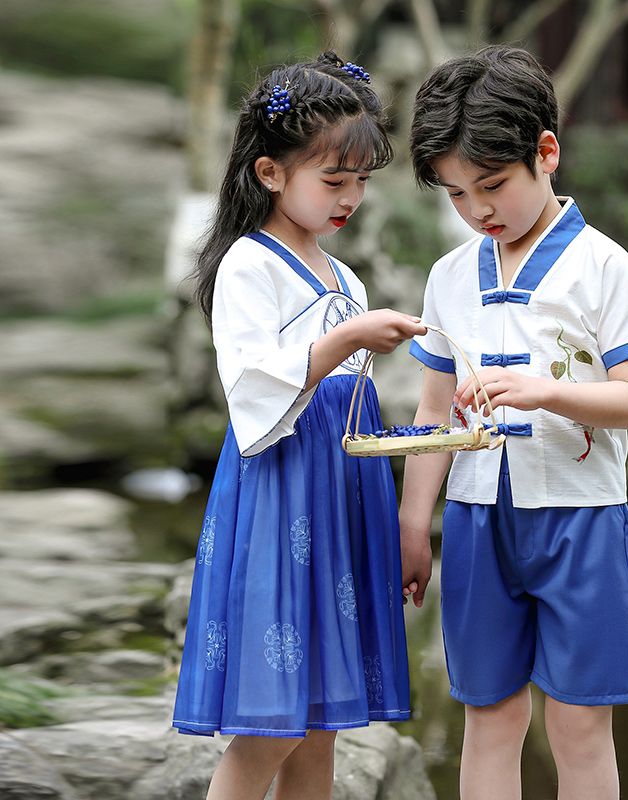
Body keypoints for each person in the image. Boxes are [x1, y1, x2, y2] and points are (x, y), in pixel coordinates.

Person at [400, 45, 628, 800]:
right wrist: (415, 524)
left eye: (491, 185)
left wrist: (547, 393)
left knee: (579, 724)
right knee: (490, 717)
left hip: (580, 520)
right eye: (455, 194)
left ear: (546, 153)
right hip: (478, 522)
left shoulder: (604, 266)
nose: (477, 210)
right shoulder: (450, 277)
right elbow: (430, 409)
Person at [172, 52, 426, 800]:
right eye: (333, 181)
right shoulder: (248, 264)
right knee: (272, 726)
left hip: (340, 490)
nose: (351, 198)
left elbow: (352, 400)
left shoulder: (344, 276)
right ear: (270, 172)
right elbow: (252, 385)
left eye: (361, 183)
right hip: (284, 489)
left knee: (320, 726)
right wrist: (349, 339)